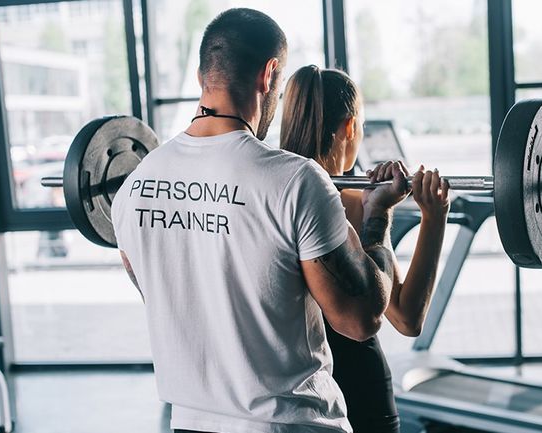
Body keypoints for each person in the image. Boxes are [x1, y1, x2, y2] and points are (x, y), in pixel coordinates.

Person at [111, 9, 410, 433]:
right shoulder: (295, 180)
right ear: (269, 74)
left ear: (202, 78)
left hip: (191, 424)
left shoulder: (133, 189)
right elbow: (360, 319)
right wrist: (378, 214)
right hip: (291, 424)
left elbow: (164, 293)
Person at [280, 65, 451, 433]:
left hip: (289, 394)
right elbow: (407, 317)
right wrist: (434, 216)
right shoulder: (358, 205)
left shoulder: (268, 196)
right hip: (359, 389)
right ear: (350, 127)